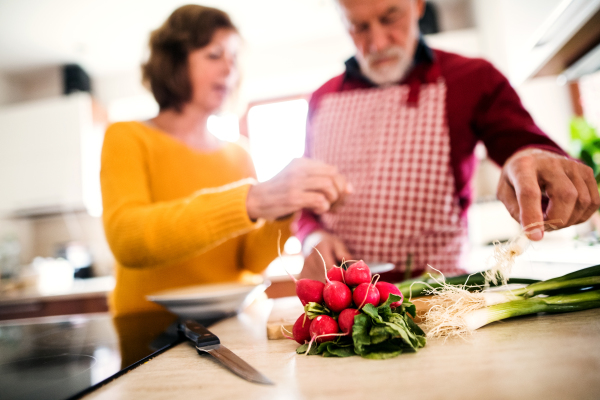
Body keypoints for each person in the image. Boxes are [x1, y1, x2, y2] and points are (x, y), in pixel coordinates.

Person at [297, 0, 600, 281]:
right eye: (359, 27)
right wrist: (313, 237)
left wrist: (536, 159)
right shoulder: (321, 99)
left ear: (417, 5)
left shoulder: (472, 78)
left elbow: (524, 145)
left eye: (390, 18)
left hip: (436, 298)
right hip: (340, 300)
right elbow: (307, 204)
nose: (377, 43)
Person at [101, 5, 350, 316]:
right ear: (174, 60)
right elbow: (129, 240)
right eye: (214, 55)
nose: (229, 69)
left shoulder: (238, 154)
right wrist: (251, 199)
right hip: (148, 325)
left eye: (233, 59)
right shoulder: (127, 136)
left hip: (233, 320)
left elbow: (250, 261)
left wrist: (291, 204)